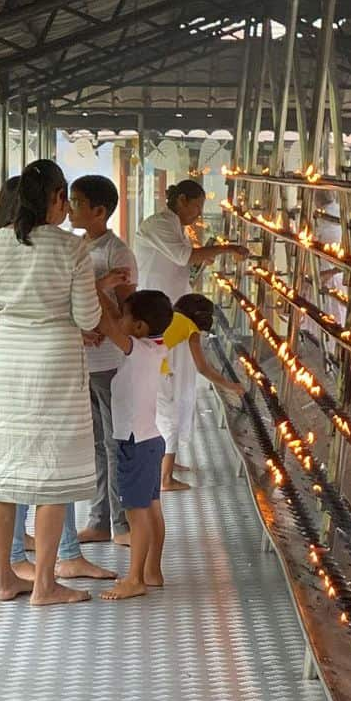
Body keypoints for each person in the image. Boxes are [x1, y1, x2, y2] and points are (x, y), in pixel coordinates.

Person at [0, 159, 106, 606]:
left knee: (4, 475)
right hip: (57, 365)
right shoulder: (72, 250)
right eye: (63, 195)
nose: (67, 204)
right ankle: (45, 584)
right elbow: (88, 316)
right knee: (53, 476)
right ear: (53, 198)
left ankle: (5, 578)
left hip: (8, 364)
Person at [135, 179, 247, 491]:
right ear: (181, 200)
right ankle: (164, 474)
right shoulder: (158, 225)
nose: (198, 213)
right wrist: (227, 248)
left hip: (170, 314)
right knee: (167, 399)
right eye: (196, 206)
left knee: (178, 390)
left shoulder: (174, 228)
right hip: (158, 318)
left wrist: (201, 261)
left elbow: (185, 264)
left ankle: (166, 458)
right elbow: (185, 257)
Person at [69, 175, 138, 546]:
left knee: (115, 441)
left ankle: (123, 523)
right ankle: (98, 519)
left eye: (77, 202)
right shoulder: (76, 247)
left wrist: (104, 306)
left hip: (110, 360)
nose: (70, 208)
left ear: (100, 211)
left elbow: (129, 310)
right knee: (95, 442)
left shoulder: (117, 252)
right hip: (83, 360)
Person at [96, 290, 175, 600]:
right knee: (152, 508)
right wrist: (107, 293)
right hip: (151, 439)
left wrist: (95, 284)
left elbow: (107, 324)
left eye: (126, 316)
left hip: (134, 442)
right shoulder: (156, 345)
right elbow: (116, 320)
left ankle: (135, 578)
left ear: (139, 326)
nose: (121, 319)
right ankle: (153, 570)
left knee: (135, 513)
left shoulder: (137, 350)